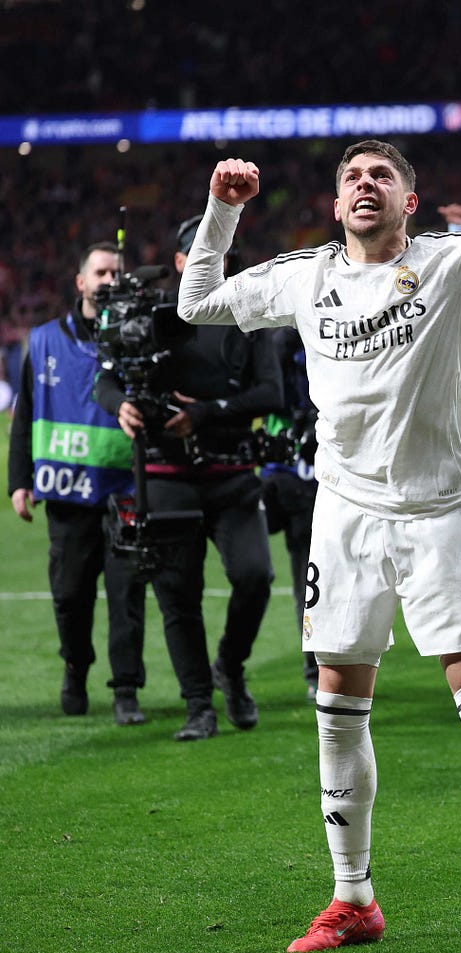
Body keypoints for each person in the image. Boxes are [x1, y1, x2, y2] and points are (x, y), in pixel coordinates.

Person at [175, 126, 461, 953]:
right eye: (352, 176)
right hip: (346, 513)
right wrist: (221, 212)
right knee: (336, 702)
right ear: (335, 205)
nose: (366, 184)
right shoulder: (306, 277)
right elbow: (197, 302)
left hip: (441, 512)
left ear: (408, 198)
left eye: (382, 175)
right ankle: (353, 896)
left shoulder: (454, 263)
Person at [95, 218, 282, 742]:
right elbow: (106, 379)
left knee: (254, 577)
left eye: (222, 250)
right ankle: (199, 704)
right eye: (201, 252)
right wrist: (122, 406)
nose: (213, 259)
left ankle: (230, 665)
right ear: (180, 262)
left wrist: (205, 413)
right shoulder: (147, 316)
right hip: (165, 472)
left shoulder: (251, 318)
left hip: (231, 471)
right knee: (178, 594)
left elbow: (272, 394)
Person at [7, 242, 148, 724]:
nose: (109, 280)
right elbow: (24, 414)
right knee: (69, 596)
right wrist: (19, 481)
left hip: (125, 491)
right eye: (100, 272)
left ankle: (126, 689)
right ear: (81, 282)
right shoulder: (44, 340)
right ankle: (75, 667)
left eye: (116, 272)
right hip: (65, 492)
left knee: (126, 595)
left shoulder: (138, 340)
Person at [259, 324, 323, 696]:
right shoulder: (278, 342)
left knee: (310, 577)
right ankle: (226, 664)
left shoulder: (305, 337)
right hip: (280, 471)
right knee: (255, 573)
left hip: (310, 472)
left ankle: (316, 669)